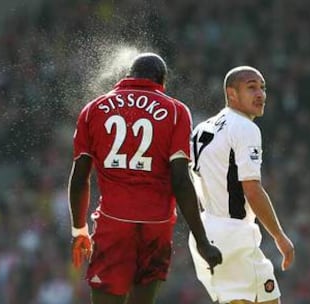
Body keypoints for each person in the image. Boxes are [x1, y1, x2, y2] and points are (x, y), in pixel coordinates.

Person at [68, 52, 222, 304]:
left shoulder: (93, 109)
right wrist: (203, 241)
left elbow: (79, 177)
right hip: (156, 225)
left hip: (112, 223)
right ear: (162, 82)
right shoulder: (175, 111)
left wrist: (79, 230)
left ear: (128, 76)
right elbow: (181, 181)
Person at [188, 66, 295, 304]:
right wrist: (279, 236)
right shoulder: (245, 128)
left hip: (208, 231)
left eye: (262, 87)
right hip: (232, 235)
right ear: (231, 94)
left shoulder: (200, 128)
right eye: (251, 87)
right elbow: (252, 189)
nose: (260, 94)